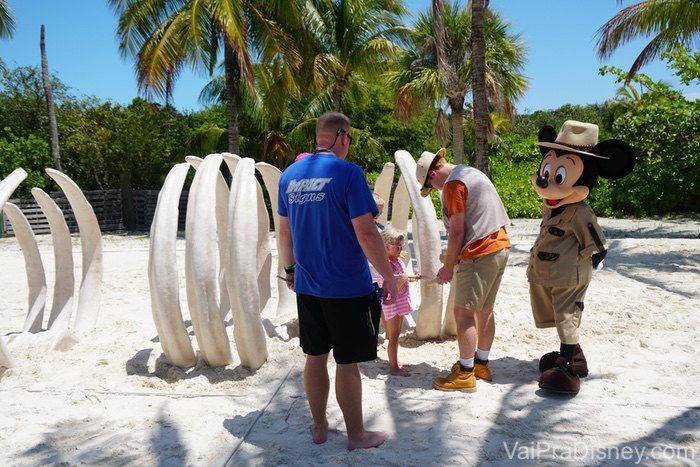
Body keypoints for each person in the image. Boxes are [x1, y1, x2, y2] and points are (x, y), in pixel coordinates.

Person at [277, 111, 399, 450]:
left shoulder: (289, 176)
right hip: (347, 286)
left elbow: (284, 232)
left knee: (315, 356)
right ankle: (356, 435)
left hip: (308, 285)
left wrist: (289, 270)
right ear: (343, 136)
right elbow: (366, 232)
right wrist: (389, 277)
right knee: (347, 362)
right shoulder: (349, 173)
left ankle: (319, 426)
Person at [415, 148, 511, 393]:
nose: (435, 190)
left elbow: (457, 231)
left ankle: (466, 374)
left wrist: (447, 267)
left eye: (430, 185)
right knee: (485, 310)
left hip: (479, 251)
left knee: (463, 314)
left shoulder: (453, 184)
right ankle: (481, 364)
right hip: (499, 246)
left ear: (433, 174)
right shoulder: (470, 172)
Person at [377, 225, 414, 377]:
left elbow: (401, 279)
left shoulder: (397, 261)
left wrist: (410, 277)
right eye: (396, 247)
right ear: (386, 246)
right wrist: (400, 281)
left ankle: (394, 362)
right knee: (393, 337)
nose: (399, 250)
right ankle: (393, 367)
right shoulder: (385, 264)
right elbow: (385, 287)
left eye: (401, 246)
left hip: (400, 301)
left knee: (396, 335)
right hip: (392, 303)